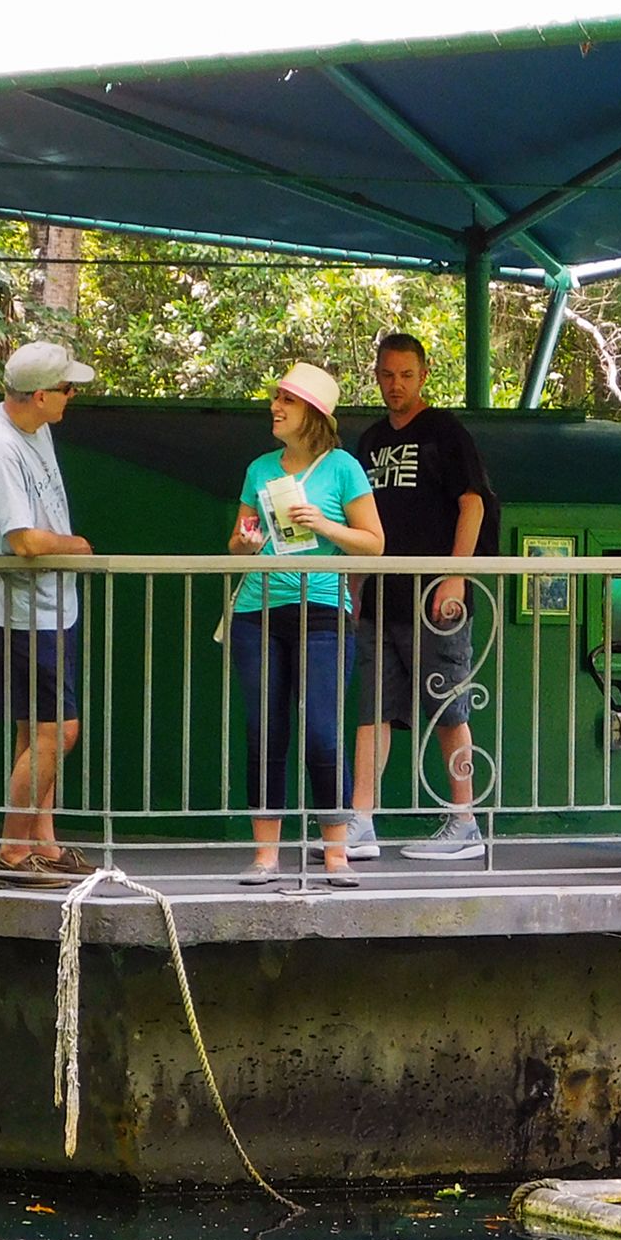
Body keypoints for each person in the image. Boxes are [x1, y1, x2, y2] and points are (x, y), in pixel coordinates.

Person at [228, 361, 384, 887]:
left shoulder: (343, 468)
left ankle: (335, 853)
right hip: (258, 609)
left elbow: (374, 542)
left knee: (322, 730)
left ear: (312, 413)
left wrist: (325, 524)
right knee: (265, 730)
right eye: (276, 398)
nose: (275, 407)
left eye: (287, 401)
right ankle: (265, 856)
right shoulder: (258, 468)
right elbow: (238, 537)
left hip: (323, 610)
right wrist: (246, 545)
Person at [344, 333, 497, 863]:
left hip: (435, 598)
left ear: (423, 375)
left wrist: (454, 576)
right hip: (382, 596)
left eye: (406, 375)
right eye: (387, 375)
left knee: (448, 706)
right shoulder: (368, 441)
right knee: (371, 708)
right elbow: (360, 520)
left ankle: (465, 821)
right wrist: (356, 585)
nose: (395, 385)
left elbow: (472, 504)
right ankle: (361, 820)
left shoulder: (446, 432)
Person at [0, 341, 96, 884]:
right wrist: (81, 545)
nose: (72, 396)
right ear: (39, 395)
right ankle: (13, 852)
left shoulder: (34, 428)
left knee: (36, 726)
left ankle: (42, 840)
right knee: (58, 730)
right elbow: (23, 540)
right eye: (66, 389)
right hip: (19, 606)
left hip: (48, 604)